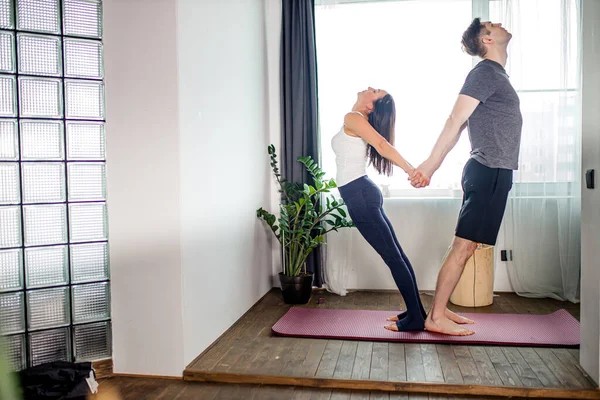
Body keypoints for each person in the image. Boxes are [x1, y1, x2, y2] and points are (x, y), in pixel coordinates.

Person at [410, 19, 522, 336]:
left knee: (468, 246)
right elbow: (455, 121)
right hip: (486, 170)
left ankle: (440, 310)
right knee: (462, 247)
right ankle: (435, 318)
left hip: (496, 172)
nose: (500, 24)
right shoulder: (484, 72)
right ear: (487, 39)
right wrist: (429, 166)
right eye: (492, 24)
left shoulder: (496, 75)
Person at [332, 87, 473, 331]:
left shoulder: (352, 117)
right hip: (363, 193)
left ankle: (416, 320)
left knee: (393, 257)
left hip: (360, 195)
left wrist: (411, 170)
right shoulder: (358, 120)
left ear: (371, 106)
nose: (369, 88)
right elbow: (381, 144)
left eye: (375, 91)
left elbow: (382, 145)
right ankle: (415, 310)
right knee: (396, 255)